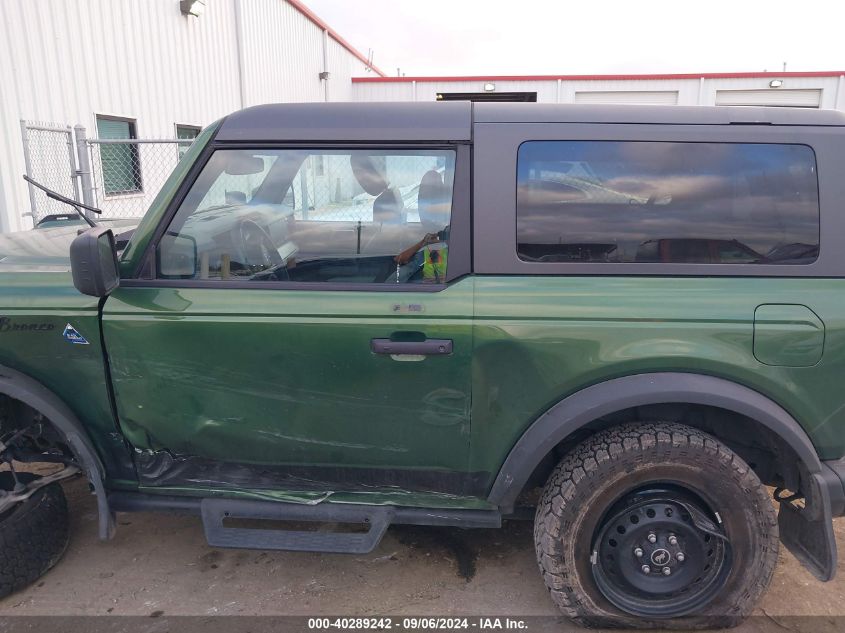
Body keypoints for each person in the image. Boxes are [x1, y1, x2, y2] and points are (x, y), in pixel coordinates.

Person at [394, 170, 450, 283]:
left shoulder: (453, 237)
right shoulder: (423, 238)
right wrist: (423, 242)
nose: (423, 206)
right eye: (421, 197)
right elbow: (399, 260)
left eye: (432, 198)